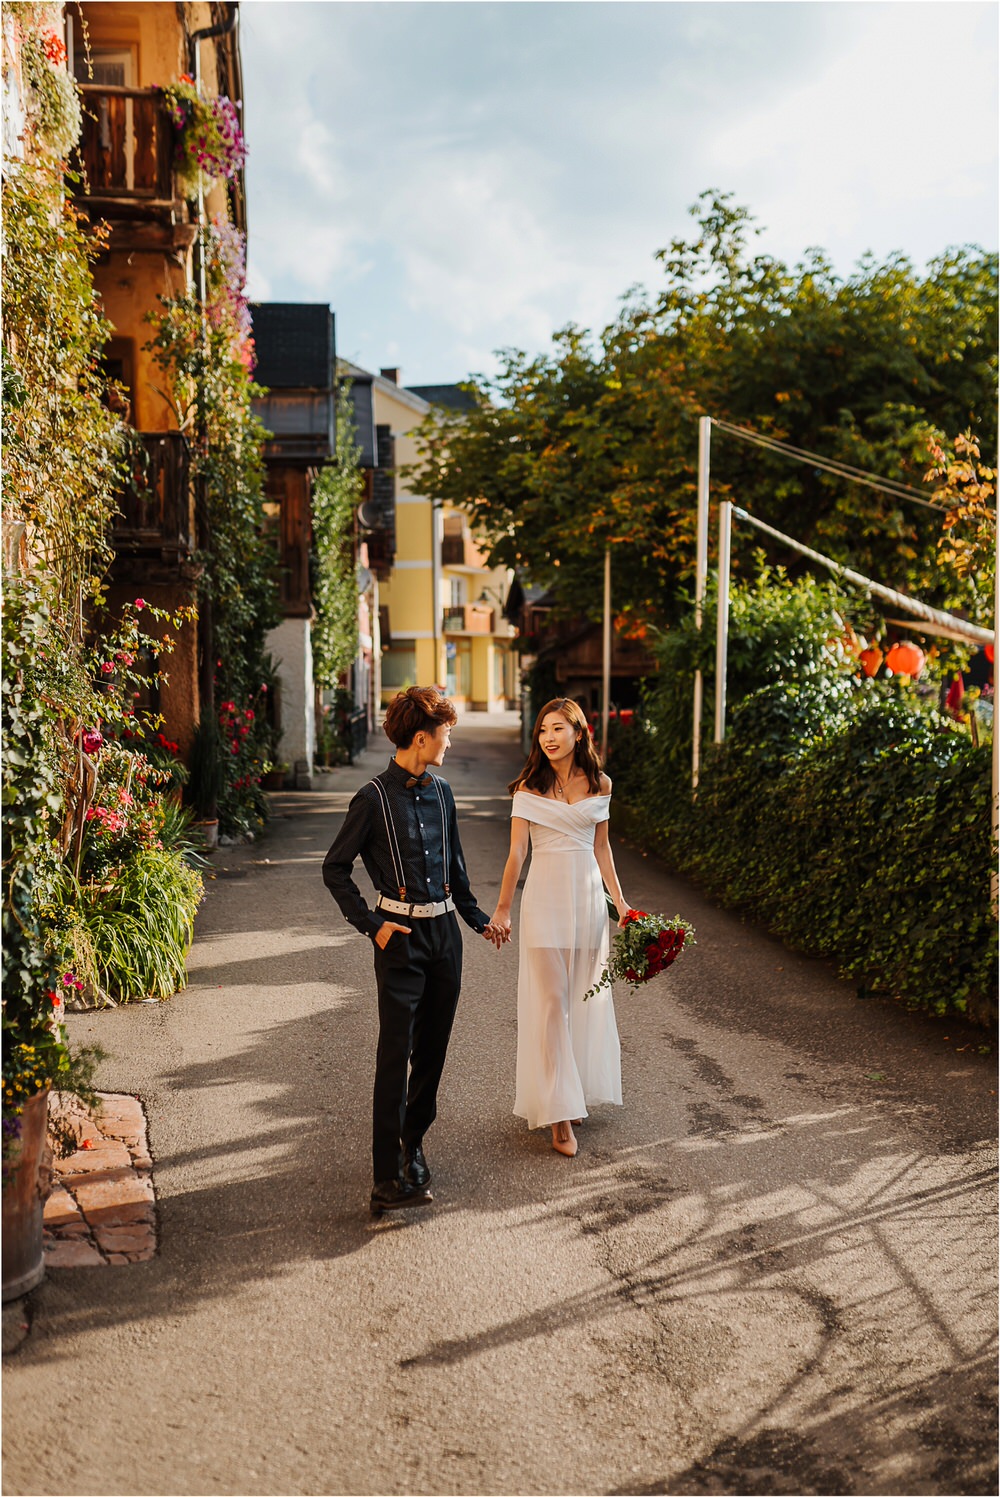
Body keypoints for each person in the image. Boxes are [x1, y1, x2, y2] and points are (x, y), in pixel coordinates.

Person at [323, 686, 504, 1216]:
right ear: (421, 738)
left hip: (444, 935)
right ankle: (385, 1176)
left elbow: (457, 869)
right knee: (394, 1054)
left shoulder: (444, 792)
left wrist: (477, 921)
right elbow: (335, 867)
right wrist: (371, 925)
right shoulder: (373, 798)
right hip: (398, 940)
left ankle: (413, 1146)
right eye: (446, 734)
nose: (450, 743)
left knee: (433, 1050)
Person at [489, 697, 628, 1157]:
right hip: (546, 899)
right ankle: (559, 1114)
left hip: (587, 902)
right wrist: (504, 908)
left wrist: (621, 903)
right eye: (542, 730)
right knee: (551, 1004)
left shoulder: (601, 783)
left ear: (579, 733)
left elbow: (602, 849)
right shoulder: (528, 786)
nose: (548, 737)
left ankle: (572, 1091)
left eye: (557, 728)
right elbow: (517, 854)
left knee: (582, 999)